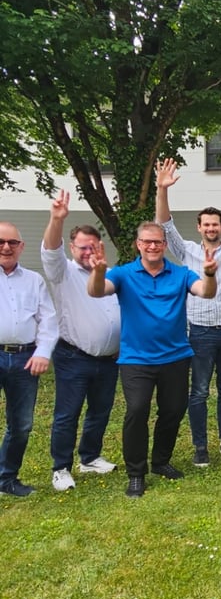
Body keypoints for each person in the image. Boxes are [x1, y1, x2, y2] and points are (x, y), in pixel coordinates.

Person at [87, 222, 218, 497]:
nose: (152, 246)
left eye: (157, 241)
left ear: (165, 245)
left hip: (176, 357)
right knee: (137, 411)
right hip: (136, 359)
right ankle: (136, 473)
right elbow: (96, 291)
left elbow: (206, 292)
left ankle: (160, 461)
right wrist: (98, 272)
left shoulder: (181, 273)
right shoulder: (123, 273)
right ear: (138, 244)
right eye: (147, 241)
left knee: (173, 410)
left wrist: (209, 274)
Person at [155, 158, 221, 467]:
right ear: (199, 227)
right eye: (206, 224)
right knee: (198, 392)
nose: (211, 228)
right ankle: (200, 447)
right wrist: (162, 189)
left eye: (215, 224)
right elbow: (164, 226)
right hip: (201, 331)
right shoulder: (188, 251)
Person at [41, 189, 121, 492]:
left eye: (93, 246)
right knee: (67, 414)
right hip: (74, 357)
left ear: (101, 246)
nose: (88, 252)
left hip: (109, 359)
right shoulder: (63, 272)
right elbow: (51, 250)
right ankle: (61, 468)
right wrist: (57, 219)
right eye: (82, 247)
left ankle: (89, 457)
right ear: (72, 248)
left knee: (100, 411)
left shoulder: (110, 274)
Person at [0, 223, 57, 497]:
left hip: (25, 358)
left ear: (21, 246)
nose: (6, 247)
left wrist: (43, 352)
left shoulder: (34, 280)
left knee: (21, 425)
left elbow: (48, 319)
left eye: (12, 242)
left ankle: (6, 479)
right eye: (0, 242)